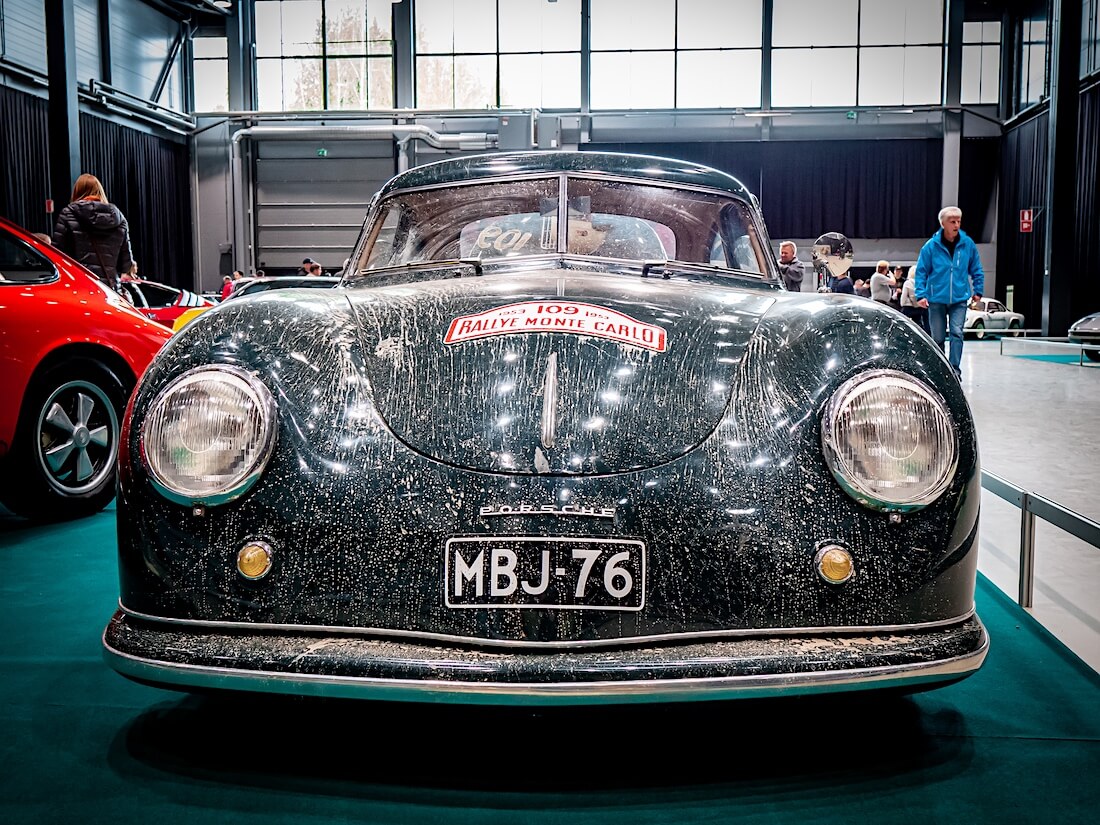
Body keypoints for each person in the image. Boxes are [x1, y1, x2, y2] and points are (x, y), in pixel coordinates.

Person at [914, 206, 984, 379]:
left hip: (959, 299)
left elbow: (976, 268)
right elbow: (921, 271)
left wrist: (978, 290)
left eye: (959, 221)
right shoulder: (930, 247)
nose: (956, 225)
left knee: (956, 332)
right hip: (936, 299)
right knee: (937, 337)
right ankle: (939, 370)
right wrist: (921, 294)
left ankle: (954, 370)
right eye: (952, 221)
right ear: (943, 224)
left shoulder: (967, 244)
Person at [51, 173, 134, 290]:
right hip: (109, 291)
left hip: (79, 288)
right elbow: (126, 265)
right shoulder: (119, 219)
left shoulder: (68, 214)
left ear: (77, 192)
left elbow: (57, 256)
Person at [900, 264, 930, 333]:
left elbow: (903, 300)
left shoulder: (907, 283)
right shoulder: (924, 283)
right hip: (921, 308)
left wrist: (909, 302)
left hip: (908, 309)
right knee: (922, 327)